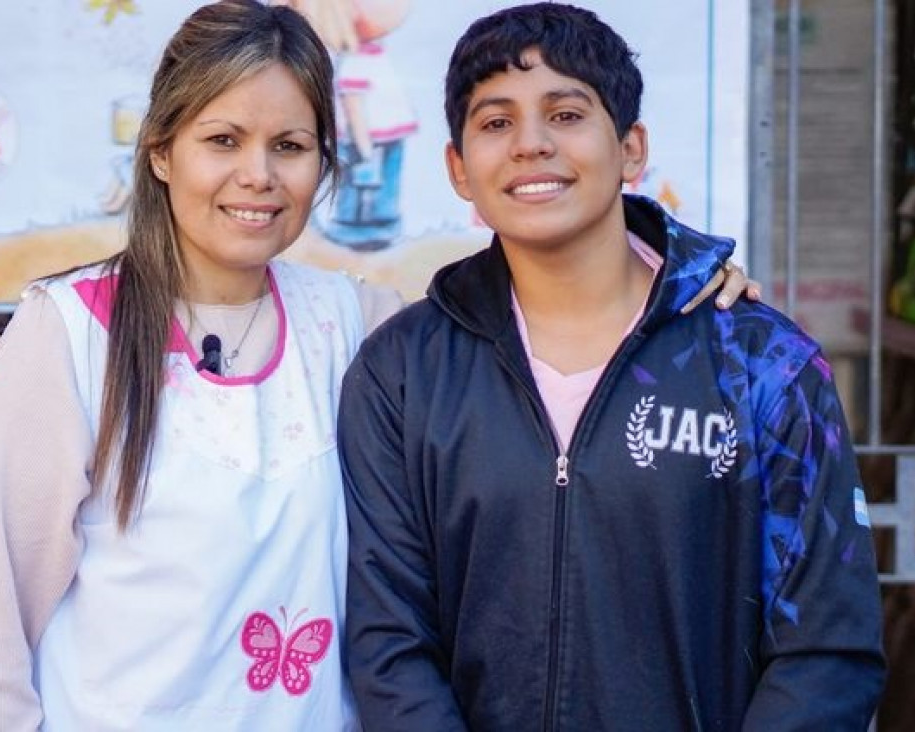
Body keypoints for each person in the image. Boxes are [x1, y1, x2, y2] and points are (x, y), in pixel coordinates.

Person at [0, 1, 755, 729]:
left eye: (289, 144)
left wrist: (681, 274)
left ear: (325, 162)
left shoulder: (356, 326)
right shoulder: (69, 335)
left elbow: (553, 298)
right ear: (161, 152)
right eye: (222, 139)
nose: (258, 175)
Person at [338, 4, 886, 731]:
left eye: (565, 115)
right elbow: (389, 640)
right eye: (496, 123)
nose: (530, 145)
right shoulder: (403, 371)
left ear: (630, 149)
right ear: (457, 168)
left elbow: (826, 646)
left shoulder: (759, 363)